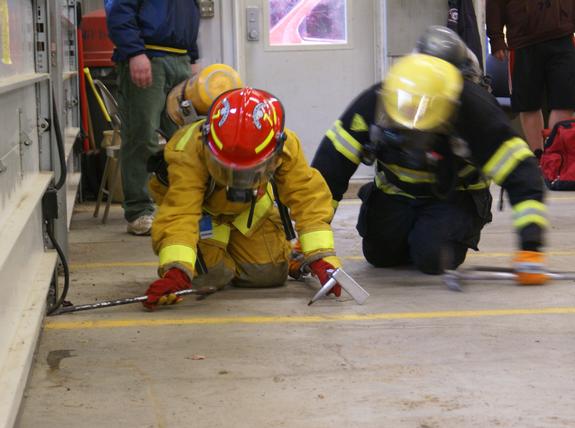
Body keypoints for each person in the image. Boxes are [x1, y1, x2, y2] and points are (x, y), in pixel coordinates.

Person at [311, 51, 549, 285]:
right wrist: (310, 239)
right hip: (395, 194)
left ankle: (432, 235)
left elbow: (521, 173)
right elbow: (330, 169)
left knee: (432, 258)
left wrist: (531, 247)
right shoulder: (374, 103)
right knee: (379, 257)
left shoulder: (473, 109)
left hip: (453, 196)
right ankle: (407, 233)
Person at [143, 87, 342, 310]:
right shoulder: (188, 150)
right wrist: (176, 269)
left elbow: (307, 198)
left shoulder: (284, 145)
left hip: (248, 212)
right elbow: (181, 212)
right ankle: (212, 253)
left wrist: (321, 256)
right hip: (206, 214)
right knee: (211, 277)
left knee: (268, 275)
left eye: (248, 172)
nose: (237, 180)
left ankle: (290, 257)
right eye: (228, 170)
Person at [106, 0, 200, 235]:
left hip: (179, 59)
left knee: (185, 139)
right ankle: (139, 211)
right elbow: (120, 9)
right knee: (142, 137)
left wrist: (192, 56)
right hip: (148, 56)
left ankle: (183, 206)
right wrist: (135, 52)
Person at [486, 0, 575, 155]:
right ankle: (539, 158)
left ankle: (555, 157)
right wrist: (496, 38)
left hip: (562, 34)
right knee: (528, 104)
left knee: (566, 102)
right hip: (523, 40)